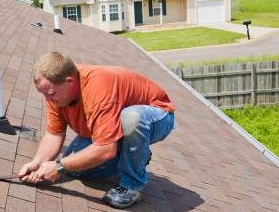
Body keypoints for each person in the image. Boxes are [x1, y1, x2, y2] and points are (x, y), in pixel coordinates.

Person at [19, 52, 175, 209]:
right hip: (114, 125)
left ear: (69, 81)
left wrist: (59, 166)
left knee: (131, 118)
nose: (47, 99)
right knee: (74, 168)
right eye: (43, 94)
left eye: (51, 93)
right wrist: (38, 163)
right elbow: (54, 134)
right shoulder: (55, 91)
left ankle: (132, 185)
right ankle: (134, 153)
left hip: (157, 116)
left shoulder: (97, 89)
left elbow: (106, 149)